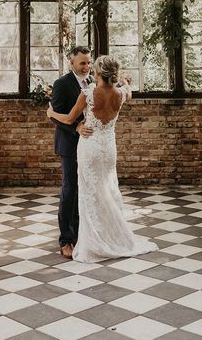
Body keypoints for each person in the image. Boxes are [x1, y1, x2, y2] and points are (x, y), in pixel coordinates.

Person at [47, 55, 158, 263]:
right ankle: (109, 235)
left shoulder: (88, 94)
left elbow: (70, 119)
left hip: (90, 147)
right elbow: (130, 92)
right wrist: (125, 82)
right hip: (108, 149)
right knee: (107, 190)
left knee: (89, 192)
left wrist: (52, 113)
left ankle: (91, 239)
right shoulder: (121, 94)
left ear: (97, 73)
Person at [50, 46, 94, 259]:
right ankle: (65, 239)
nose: (86, 67)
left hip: (89, 145)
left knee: (83, 188)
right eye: (82, 63)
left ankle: (78, 233)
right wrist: (75, 126)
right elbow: (54, 115)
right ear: (72, 63)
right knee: (69, 189)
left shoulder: (94, 81)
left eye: (88, 62)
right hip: (69, 144)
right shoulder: (62, 84)